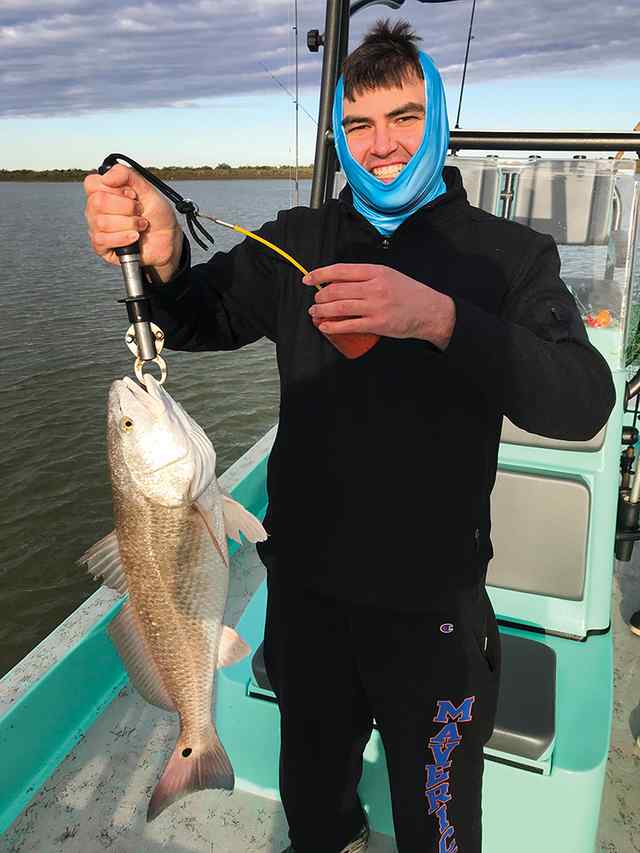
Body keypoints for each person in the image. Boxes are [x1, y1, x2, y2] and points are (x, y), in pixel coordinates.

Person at [84, 20, 615, 853]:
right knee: (315, 803)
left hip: (435, 616)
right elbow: (197, 316)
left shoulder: (507, 258)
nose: (381, 145)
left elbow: (582, 399)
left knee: (439, 822)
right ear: (338, 134)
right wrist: (162, 259)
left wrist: (441, 320)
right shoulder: (297, 241)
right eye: (359, 124)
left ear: (440, 119)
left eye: (404, 117)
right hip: (308, 609)